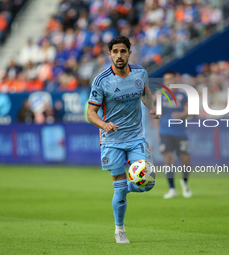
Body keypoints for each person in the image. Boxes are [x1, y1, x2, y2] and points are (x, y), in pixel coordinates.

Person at [87, 35, 158, 243]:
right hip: (112, 141)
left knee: (148, 183)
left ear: (129, 53)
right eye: (115, 51)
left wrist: (153, 108)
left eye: (123, 51)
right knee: (120, 186)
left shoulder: (140, 73)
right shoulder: (102, 81)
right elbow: (91, 113)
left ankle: (122, 188)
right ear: (109, 54)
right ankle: (120, 229)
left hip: (136, 137)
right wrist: (103, 124)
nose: (119, 55)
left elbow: (145, 94)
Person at [158, 71, 192, 199]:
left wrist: (181, 115)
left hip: (180, 132)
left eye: (171, 79)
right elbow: (156, 115)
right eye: (166, 80)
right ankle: (172, 188)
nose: (169, 82)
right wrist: (157, 131)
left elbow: (189, 111)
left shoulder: (182, 95)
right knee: (168, 159)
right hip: (165, 131)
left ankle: (184, 182)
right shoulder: (161, 96)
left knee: (186, 160)